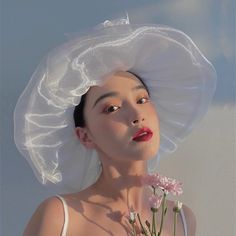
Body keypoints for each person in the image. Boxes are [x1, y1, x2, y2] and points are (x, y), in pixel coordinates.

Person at [14, 16, 216, 236]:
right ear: (84, 136)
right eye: (112, 108)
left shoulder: (181, 219)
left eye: (142, 100)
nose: (137, 115)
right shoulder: (59, 217)